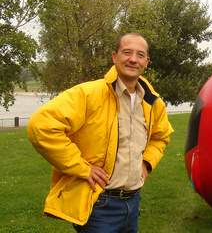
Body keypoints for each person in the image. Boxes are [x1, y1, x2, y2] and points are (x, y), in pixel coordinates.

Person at [27, 33, 174, 233]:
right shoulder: (89, 93)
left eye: (140, 55)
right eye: (127, 52)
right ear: (114, 57)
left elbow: (161, 136)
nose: (133, 59)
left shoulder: (152, 102)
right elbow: (41, 125)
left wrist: (147, 163)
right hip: (100, 204)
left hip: (133, 201)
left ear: (146, 62)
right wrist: (82, 168)